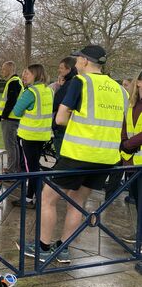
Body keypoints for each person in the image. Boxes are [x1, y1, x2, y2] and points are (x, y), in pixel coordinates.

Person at [22, 45, 127, 264]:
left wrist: (80, 125)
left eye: (78, 59)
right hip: (106, 156)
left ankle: (42, 247)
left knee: (47, 198)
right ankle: (64, 249)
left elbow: (60, 119)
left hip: (78, 153)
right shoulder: (118, 88)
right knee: (78, 202)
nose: (76, 63)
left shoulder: (81, 82)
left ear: (86, 62)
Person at [13, 64, 53, 208]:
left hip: (29, 135)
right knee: (35, 166)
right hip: (42, 135)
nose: (24, 76)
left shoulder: (31, 92)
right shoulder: (48, 90)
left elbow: (16, 111)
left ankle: (31, 199)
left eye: (28, 73)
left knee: (31, 169)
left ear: (36, 75)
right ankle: (35, 197)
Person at [119, 70, 142, 244]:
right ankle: (139, 235)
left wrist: (127, 144)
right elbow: (125, 126)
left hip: (135, 157)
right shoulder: (132, 103)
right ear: (139, 83)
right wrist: (124, 143)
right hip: (131, 160)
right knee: (137, 202)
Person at [0, 61, 23, 174]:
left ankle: (12, 170)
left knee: (10, 145)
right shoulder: (14, 82)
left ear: (10, 69)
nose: (2, 71)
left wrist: (3, 116)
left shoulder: (14, 82)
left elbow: (11, 101)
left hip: (10, 119)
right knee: (14, 145)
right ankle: (14, 168)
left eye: (4, 69)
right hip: (12, 118)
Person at [52, 57, 77, 158]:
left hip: (62, 127)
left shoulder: (70, 84)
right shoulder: (73, 82)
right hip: (70, 125)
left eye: (61, 68)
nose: (59, 70)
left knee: (62, 156)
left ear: (68, 69)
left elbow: (56, 102)